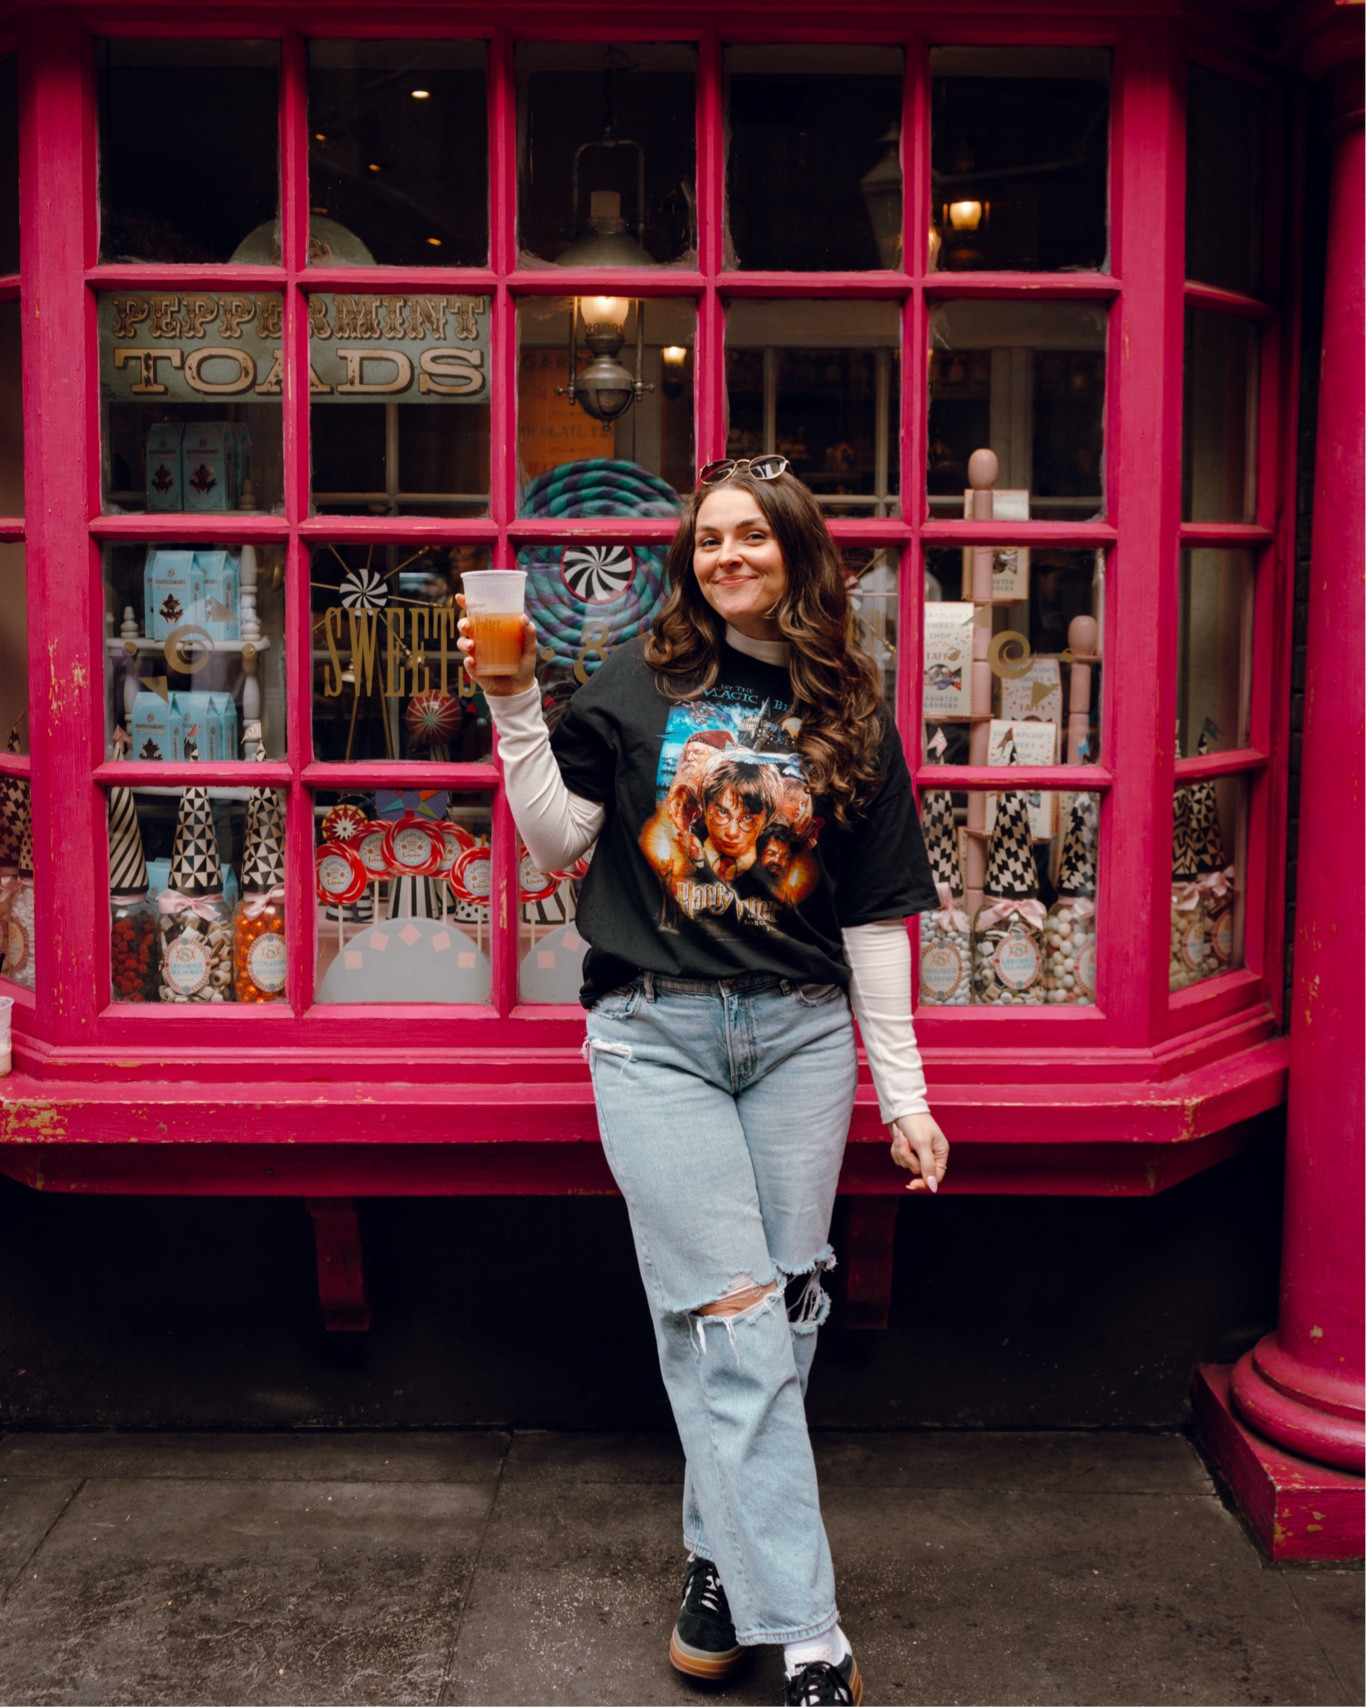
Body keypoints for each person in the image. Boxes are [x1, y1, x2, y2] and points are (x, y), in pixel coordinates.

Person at [460, 455, 950, 1707]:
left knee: (774, 1320)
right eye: (708, 539)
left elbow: (879, 919)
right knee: (734, 1331)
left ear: (796, 551)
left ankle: (721, 1564)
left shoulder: (848, 706)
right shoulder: (640, 680)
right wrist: (515, 705)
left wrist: (904, 1096)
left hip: (797, 1039)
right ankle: (811, 1640)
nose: (727, 555)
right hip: (654, 1037)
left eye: (751, 537)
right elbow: (560, 840)